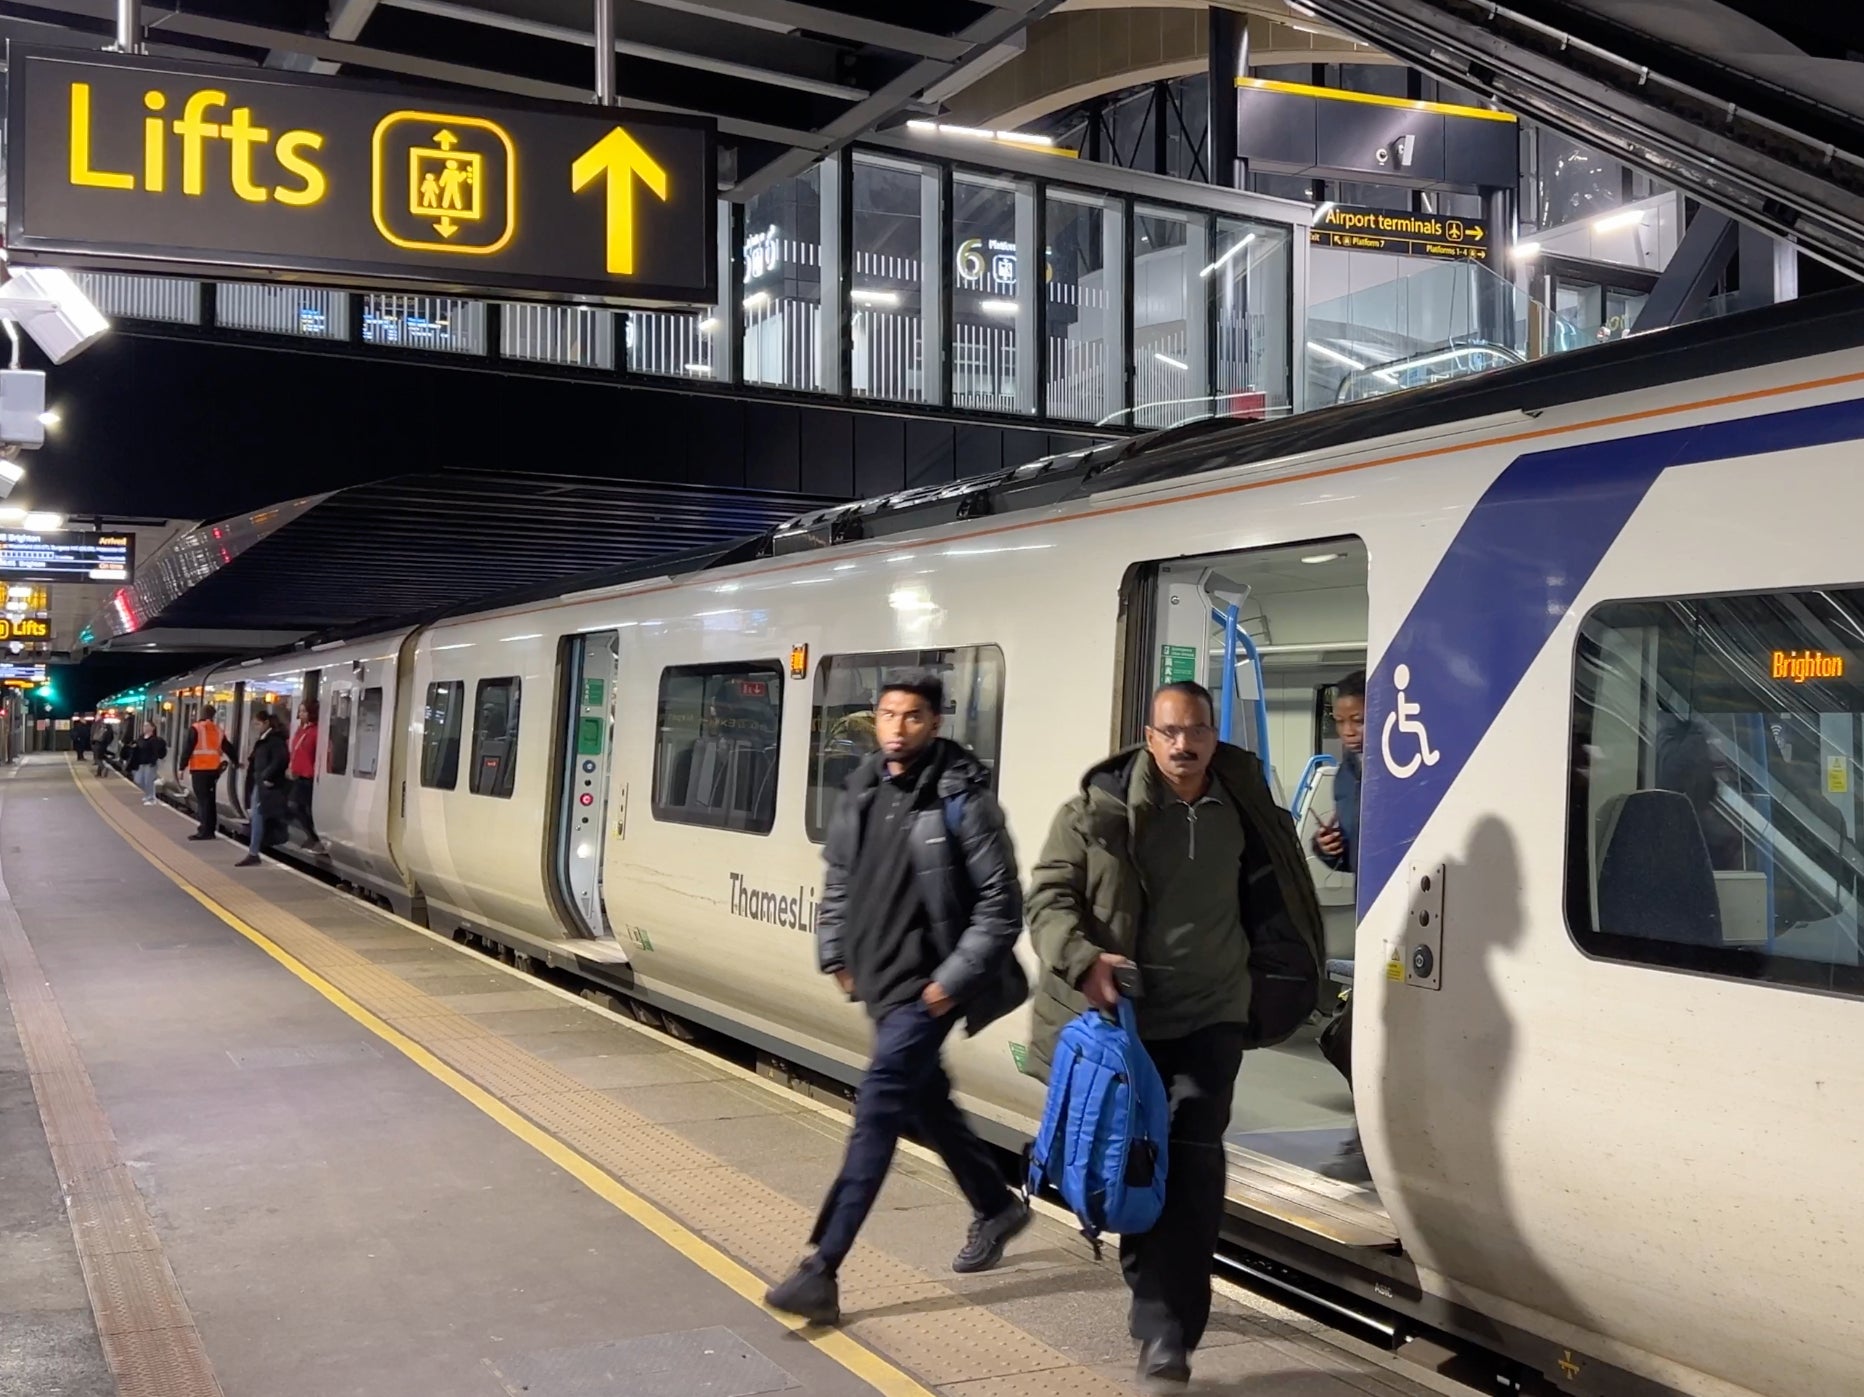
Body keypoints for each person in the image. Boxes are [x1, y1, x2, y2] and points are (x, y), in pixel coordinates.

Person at [1025, 681, 1324, 1391]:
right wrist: (1083, 958)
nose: (1183, 745)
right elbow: (1049, 895)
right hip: (1126, 1023)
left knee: (1191, 1166)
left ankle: (1167, 1333)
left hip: (1212, 1016)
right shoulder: (1095, 812)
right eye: (1169, 732)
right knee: (1134, 1163)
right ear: (1149, 736)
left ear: (1214, 735)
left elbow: (1284, 897)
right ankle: (1150, 1293)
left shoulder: (1246, 812)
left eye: (1196, 731)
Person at [764, 672, 1031, 1325]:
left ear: (935, 722)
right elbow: (840, 878)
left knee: (877, 1111)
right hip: (879, 983)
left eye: (912, 715)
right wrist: (835, 952)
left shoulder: (963, 799)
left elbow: (1001, 908)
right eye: (888, 713)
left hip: (926, 989)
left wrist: (948, 986)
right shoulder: (861, 787)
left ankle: (823, 1266)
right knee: (926, 1101)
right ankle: (997, 1204)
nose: (897, 726)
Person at [1313, 670, 1371, 1184]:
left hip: (1416, 913)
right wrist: (1330, 850)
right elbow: (1356, 851)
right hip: (1372, 916)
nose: (1349, 731)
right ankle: (1369, 1137)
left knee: (1363, 1035)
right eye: (1341, 721)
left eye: (1359, 719)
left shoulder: (1414, 765)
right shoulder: (1346, 775)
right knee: (1352, 1037)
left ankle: (1370, 1141)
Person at [238, 710, 290, 869]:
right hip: (259, 783)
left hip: (265, 784)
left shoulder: (274, 740)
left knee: (259, 817)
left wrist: (267, 776)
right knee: (257, 817)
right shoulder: (265, 739)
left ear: (266, 723)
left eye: (258, 723)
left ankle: (254, 853)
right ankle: (254, 851)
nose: (256, 726)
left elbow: (281, 759)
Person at [181, 705, 233, 841]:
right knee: (210, 800)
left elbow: (187, 748)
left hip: (199, 770)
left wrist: (182, 767)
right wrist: (237, 761)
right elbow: (228, 747)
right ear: (213, 715)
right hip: (214, 770)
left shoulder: (195, 728)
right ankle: (210, 830)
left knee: (203, 801)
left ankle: (203, 831)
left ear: (201, 713)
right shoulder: (217, 730)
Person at [287, 699, 321, 849]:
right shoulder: (301, 731)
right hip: (299, 774)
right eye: (300, 711)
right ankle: (312, 836)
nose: (301, 714)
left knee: (296, 805)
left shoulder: (316, 732)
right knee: (299, 806)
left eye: (304, 711)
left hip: (309, 776)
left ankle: (314, 837)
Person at [130, 721, 167, 805]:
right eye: (144, 726)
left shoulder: (154, 739)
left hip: (150, 763)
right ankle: (148, 795)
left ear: (152, 728)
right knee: (138, 780)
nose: (144, 727)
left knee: (148, 781)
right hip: (140, 763)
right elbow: (138, 746)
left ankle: (151, 798)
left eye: (146, 725)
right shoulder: (141, 738)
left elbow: (156, 751)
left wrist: (154, 760)